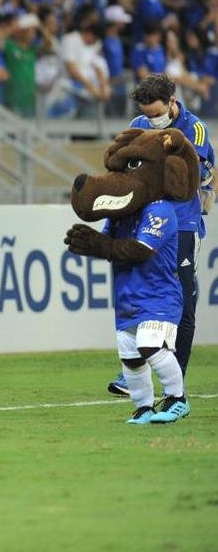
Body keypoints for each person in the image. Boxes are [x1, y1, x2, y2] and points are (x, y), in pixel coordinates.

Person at [107, 75, 213, 401]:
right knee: (142, 291)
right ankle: (137, 368)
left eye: (157, 114)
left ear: (172, 101)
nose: (152, 121)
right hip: (147, 219)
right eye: (148, 115)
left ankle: (175, 372)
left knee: (181, 296)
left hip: (182, 223)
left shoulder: (193, 129)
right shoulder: (137, 123)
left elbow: (193, 170)